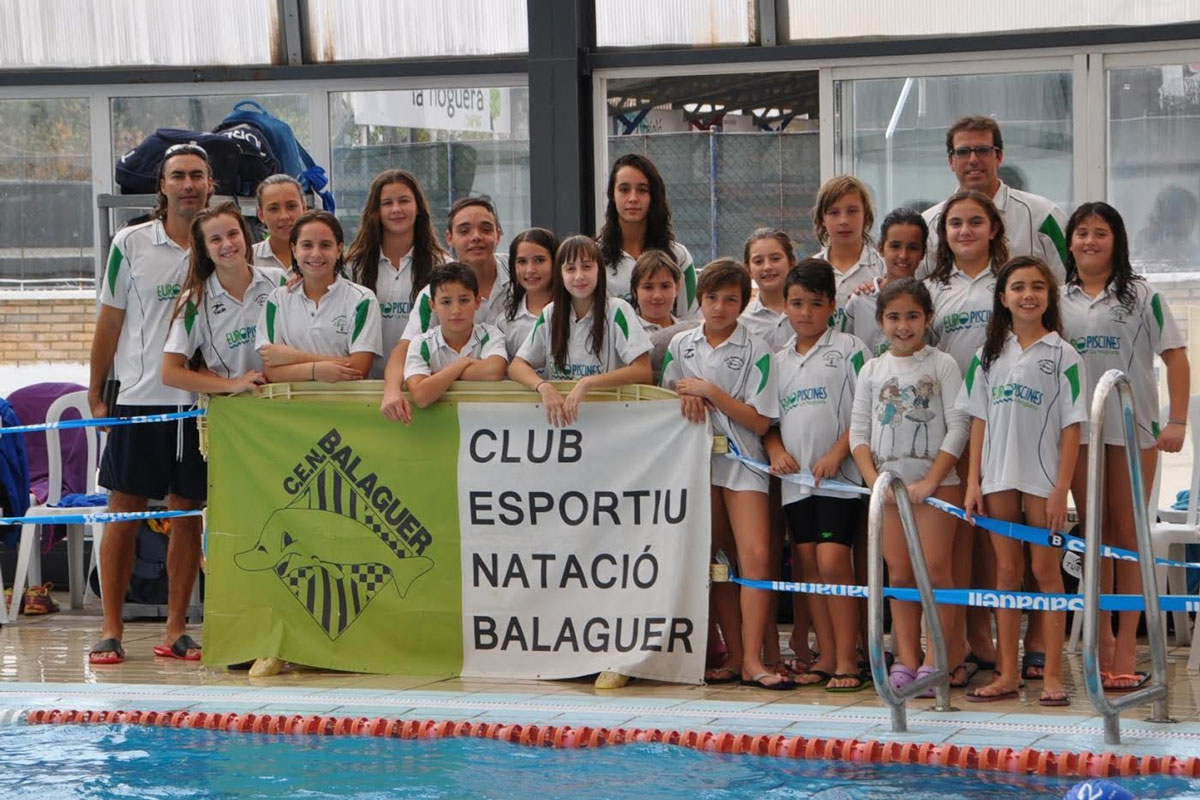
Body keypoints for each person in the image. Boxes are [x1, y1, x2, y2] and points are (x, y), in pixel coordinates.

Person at [87, 142, 214, 665]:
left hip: (198, 404)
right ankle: (110, 628)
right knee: (123, 511)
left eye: (197, 175)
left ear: (210, 184)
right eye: (178, 175)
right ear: (162, 186)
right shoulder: (131, 241)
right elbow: (110, 320)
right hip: (140, 399)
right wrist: (96, 392)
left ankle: (178, 628)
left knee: (187, 516)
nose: (188, 185)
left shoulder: (222, 242)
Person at [1061, 201, 1190, 691]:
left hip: (1133, 430)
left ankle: (1126, 646)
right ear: (1070, 242)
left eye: (1100, 232)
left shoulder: (1142, 295)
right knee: (1094, 535)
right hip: (1080, 432)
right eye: (1082, 232)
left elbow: (1176, 359)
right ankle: (1099, 640)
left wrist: (1176, 421)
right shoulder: (1056, 297)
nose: (1090, 241)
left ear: (1116, 240)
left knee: (1128, 536)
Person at [959, 257, 1085, 707]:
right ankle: (1007, 674)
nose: (1028, 295)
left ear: (1049, 297)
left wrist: (1061, 489)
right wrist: (973, 482)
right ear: (1003, 297)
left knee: (1046, 572)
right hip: (998, 478)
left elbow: (1073, 427)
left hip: (1042, 480)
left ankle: (1052, 675)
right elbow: (977, 421)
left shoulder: (1064, 356)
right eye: (1018, 287)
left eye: (1037, 287)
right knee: (1007, 573)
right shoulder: (986, 355)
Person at [661, 259, 790, 689]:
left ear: (743, 303)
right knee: (714, 559)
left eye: (730, 299)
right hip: (697, 464)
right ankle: (734, 656)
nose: (720, 307)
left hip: (744, 463)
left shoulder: (757, 349)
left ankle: (754, 660)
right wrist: (686, 398)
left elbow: (760, 421)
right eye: (712, 298)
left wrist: (710, 392)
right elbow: (665, 398)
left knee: (756, 557)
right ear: (699, 300)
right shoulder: (682, 345)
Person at [849, 278, 969, 691]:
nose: (903, 326)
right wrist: (876, 484)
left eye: (912, 316)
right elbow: (859, 433)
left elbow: (958, 426)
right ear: (881, 321)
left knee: (935, 570)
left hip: (937, 486)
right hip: (889, 493)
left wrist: (932, 481)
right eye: (894, 317)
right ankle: (906, 655)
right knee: (899, 575)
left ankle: (937, 655)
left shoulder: (942, 364)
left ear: (928, 318)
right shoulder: (872, 369)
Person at [764, 259, 871, 691]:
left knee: (832, 562)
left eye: (814, 303)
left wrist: (837, 453)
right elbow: (768, 421)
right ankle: (827, 656)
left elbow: (865, 411)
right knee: (808, 565)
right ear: (785, 307)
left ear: (831, 305)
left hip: (840, 479)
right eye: (796, 303)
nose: (805, 312)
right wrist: (775, 451)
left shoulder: (849, 348)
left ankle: (849, 659)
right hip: (797, 483)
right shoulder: (777, 361)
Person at [926, 189, 1010, 681]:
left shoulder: (1010, 282)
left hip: (1005, 421)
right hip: (951, 426)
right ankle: (954, 643)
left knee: (993, 539)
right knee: (956, 538)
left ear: (993, 228)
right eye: (955, 223)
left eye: (975, 221)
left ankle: (987, 635)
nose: (965, 231)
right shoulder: (933, 288)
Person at [381, 196, 509, 420]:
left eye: (486, 229)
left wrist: (436, 375)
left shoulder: (522, 274)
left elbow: (495, 369)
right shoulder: (433, 292)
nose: (476, 237)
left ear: (498, 234)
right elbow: (405, 347)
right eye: (464, 230)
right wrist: (391, 390)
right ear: (449, 238)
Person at [509, 235, 653, 427]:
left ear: (599, 270)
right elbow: (517, 366)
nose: (579, 276)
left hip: (610, 422)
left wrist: (588, 383)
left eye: (586, 266)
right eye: (570, 269)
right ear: (560, 274)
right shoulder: (551, 313)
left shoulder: (618, 310)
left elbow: (643, 371)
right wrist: (543, 387)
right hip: (564, 423)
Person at [922, 115, 1068, 281]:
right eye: (963, 152)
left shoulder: (1042, 216)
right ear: (950, 161)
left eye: (983, 150)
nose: (973, 160)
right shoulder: (928, 224)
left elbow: (1071, 283)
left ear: (999, 156)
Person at [162, 201, 285, 395]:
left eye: (233, 234)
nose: (227, 244)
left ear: (245, 237)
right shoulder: (195, 300)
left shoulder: (279, 279)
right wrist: (233, 384)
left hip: (286, 400)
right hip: (232, 407)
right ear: (204, 249)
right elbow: (170, 373)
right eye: (215, 239)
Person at [254, 210, 383, 383]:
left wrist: (294, 357)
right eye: (307, 245)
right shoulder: (277, 300)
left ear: (339, 250)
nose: (316, 254)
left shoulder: (362, 300)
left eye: (325, 245)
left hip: (348, 399)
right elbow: (271, 372)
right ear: (294, 249)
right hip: (291, 400)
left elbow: (359, 368)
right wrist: (315, 370)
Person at [346, 169, 446, 377]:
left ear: (418, 207)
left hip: (422, 380)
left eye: (404, 201)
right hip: (364, 382)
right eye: (387, 203)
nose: (396, 209)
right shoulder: (352, 266)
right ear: (375, 211)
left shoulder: (441, 265)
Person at [597, 153, 698, 318]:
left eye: (642, 190)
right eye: (624, 189)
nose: (633, 198)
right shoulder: (594, 258)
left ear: (653, 196)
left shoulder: (679, 256)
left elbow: (690, 321)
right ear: (612, 196)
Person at [403, 263, 508, 407]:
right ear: (433, 305)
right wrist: (463, 363)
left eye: (464, 300)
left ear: (477, 302)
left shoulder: (491, 335)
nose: (456, 310)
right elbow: (421, 397)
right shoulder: (421, 343)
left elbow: (494, 371)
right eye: (446, 302)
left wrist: (437, 377)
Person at [841, 209, 928, 357]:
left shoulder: (931, 298)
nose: (903, 255)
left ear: (923, 253)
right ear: (881, 248)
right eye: (895, 246)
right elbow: (843, 350)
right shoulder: (861, 299)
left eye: (913, 248)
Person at [812, 175, 885, 325]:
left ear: (866, 215)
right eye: (834, 213)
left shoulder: (883, 268)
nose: (844, 221)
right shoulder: (810, 270)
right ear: (822, 219)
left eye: (852, 211)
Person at [630, 249, 698, 383]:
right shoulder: (625, 333)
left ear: (677, 288)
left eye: (665, 286)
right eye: (648, 287)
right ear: (634, 291)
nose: (657, 295)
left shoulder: (693, 334)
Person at [497, 227, 558, 358]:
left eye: (539, 260)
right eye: (522, 261)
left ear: (556, 262)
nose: (530, 270)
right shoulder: (505, 322)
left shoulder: (574, 312)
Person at [740, 228, 797, 350]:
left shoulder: (809, 313)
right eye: (758, 261)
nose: (767, 267)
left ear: (792, 263)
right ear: (748, 270)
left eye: (775, 259)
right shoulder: (741, 321)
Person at [253, 174, 306, 271]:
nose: (284, 216)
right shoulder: (248, 260)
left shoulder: (322, 257)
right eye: (274, 209)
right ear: (261, 214)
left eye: (291, 206)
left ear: (304, 208)